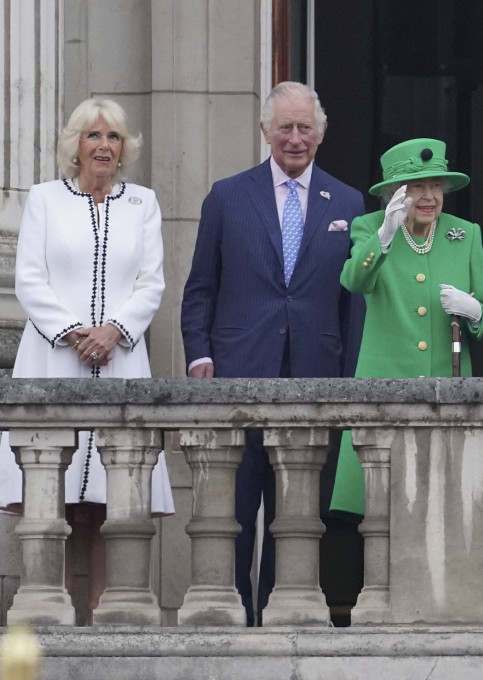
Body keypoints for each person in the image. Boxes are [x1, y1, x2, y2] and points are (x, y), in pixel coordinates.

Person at [180, 81, 365, 626]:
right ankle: (237, 622)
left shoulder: (349, 202)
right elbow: (201, 289)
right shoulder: (227, 196)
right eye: (284, 126)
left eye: (304, 127)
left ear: (321, 133)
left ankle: (287, 620)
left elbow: (353, 304)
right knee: (234, 516)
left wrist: (350, 382)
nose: (294, 137)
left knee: (298, 517)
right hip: (238, 379)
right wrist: (198, 357)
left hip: (315, 382)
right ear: (265, 131)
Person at [0, 97, 174, 622]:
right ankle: (47, 609)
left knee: (109, 495)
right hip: (55, 360)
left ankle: (105, 612)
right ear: (75, 145)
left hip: (118, 360)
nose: (103, 146)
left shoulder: (142, 203)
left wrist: (113, 330)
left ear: (124, 149)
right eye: (93, 136)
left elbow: (152, 282)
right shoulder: (46, 200)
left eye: (113, 137)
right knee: (50, 492)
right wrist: (74, 332)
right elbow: (29, 278)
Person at [329, 138, 483, 517]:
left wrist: (473, 311)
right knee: (383, 514)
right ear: (395, 194)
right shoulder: (370, 228)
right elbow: (353, 282)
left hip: (447, 404)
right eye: (417, 187)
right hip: (384, 400)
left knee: (444, 514)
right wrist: (385, 236)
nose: (429, 196)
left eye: (436, 186)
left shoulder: (465, 234)